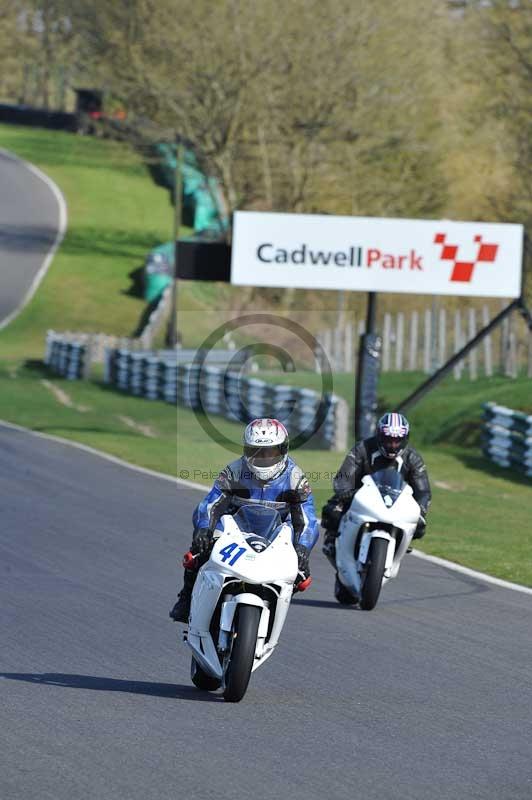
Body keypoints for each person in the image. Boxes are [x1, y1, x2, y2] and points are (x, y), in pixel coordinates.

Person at [170, 418, 319, 622]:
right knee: (198, 552)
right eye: (256, 451)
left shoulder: (295, 478)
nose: (264, 458)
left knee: (300, 574)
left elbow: (307, 518)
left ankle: (271, 610)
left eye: (270, 452)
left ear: (284, 450)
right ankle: (186, 598)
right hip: (235, 530)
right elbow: (211, 504)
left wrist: (302, 547)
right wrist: (204, 529)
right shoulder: (233, 471)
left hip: (276, 535)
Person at [321, 412, 431, 592]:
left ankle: (397, 550)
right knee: (332, 511)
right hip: (360, 497)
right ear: (379, 436)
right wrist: (345, 492)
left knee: (419, 526)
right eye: (388, 439)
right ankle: (334, 543)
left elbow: (423, 491)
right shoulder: (362, 449)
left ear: (405, 439)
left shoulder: (413, 458)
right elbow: (343, 477)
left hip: (395, 504)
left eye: (397, 440)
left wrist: (421, 510)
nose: (393, 444)